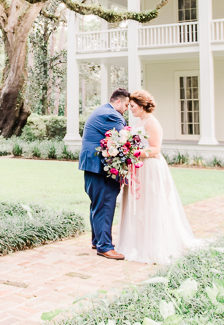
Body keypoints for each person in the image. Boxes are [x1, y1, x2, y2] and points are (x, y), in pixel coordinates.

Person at [116, 89, 198, 264]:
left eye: (132, 106)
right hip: (138, 167)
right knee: (138, 205)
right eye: (129, 106)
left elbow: (155, 149)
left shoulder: (152, 123)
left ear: (141, 105)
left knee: (150, 203)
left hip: (150, 168)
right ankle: (136, 242)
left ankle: (153, 244)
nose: (130, 109)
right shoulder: (139, 122)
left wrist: (133, 153)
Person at [79, 88, 130, 260]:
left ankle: (97, 240)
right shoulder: (113, 116)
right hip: (100, 169)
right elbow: (124, 141)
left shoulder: (101, 111)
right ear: (118, 102)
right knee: (105, 205)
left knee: (98, 204)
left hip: (92, 167)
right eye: (126, 105)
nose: (126, 109)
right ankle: (105, 246)